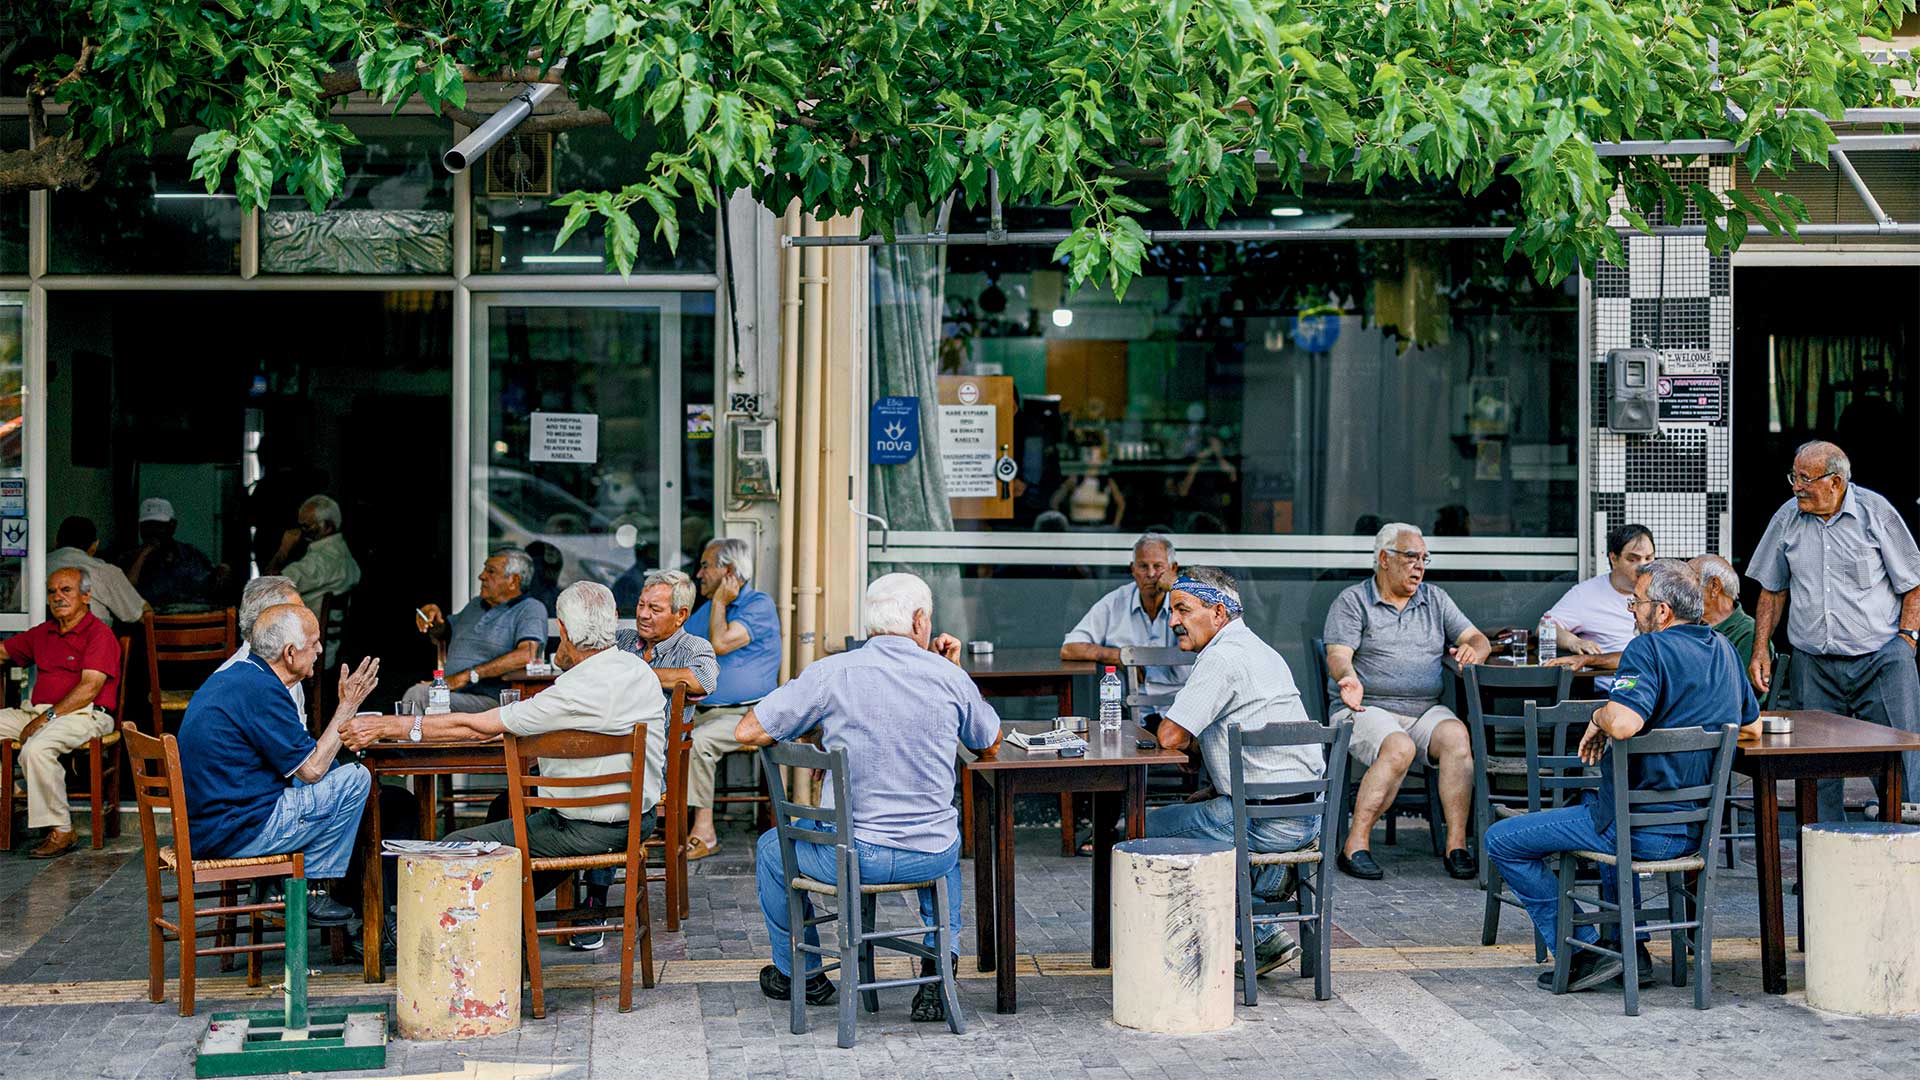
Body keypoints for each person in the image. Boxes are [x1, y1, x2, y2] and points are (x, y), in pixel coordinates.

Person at [736, 572, 1001, 1019]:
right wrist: (951, 670)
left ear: (872, 623)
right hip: (928, 854)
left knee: (770, 850)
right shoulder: (948, 677)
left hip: (850, 855)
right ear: (920, 621)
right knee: (945, 843)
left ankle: (803, 974)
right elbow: (988, 743)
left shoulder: (832, 672)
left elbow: (749, 731)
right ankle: (939, 974)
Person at [1485, 559, 1755, 992]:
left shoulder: (1647, 650)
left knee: (1502, 840)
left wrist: (1598, 713)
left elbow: (1625, 723)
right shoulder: (1722, 647)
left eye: (1637, 602)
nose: (1632, 609)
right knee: (1608, 811)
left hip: (1636, 830)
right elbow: (1752, 724)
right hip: (1693, 830)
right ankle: (1632, 951)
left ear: (1663, 611)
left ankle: (1583, 954)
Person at [343, 582, 666, 902]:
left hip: (583, 828)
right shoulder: (639, 672)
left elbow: (478, 728)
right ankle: (510, 918)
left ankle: (480, 927)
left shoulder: (572, 691)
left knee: (456, 845)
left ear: (563, 630)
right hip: (640, 820)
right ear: (613, 618)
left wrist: (389, 724)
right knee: (507, 817)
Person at [1146, 566, 1324, 977]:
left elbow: (1171, 736)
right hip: (1306, 816)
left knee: (1142, 828)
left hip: (1264, 822)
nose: (1173, 621)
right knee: (1203, 813)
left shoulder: (1221, 657)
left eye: (1183, 610)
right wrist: (1215, 788)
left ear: (1219, 614)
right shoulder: (1261, 649)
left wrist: (1161, 728)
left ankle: (1215, 946)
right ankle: (1261, 923)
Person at [1748, 440, 1920, 821]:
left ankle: (1905, 865)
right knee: (1814, 768)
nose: (1796, 487)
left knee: (1902, 763)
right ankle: (1822, 868)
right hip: (1814, 664)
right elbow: (1772, 589)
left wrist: (1907, 641)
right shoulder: (1787, 518)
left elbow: (1914, 583)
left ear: (1836, 482)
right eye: (1794, 477)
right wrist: (1761, 649)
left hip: (1881, 660)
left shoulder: (1877, 514)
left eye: (1805, 479)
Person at [178, 604, 380, 925]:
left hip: (211, 826)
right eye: (313, 642)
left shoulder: (242, 676)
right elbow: (312, 768)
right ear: (289, 653)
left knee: (321, 777)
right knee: (355, 778)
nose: (319, 650)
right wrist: (349, 706)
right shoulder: (262, 691)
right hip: (237, 830)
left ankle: (276, 886)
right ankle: (309, 890)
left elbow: (299, 763)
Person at [1324, 523, 1491, 882]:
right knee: (1398, 747)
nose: (1420, 566)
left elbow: (1478, 639)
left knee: (1458, 738)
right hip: (1364, 707)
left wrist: (1472, 650)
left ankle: (1456, 846)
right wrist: (1347, 679)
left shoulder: (1435, 599)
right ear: (1384, 559)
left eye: (1424, 558)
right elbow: (1338, 654)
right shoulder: (1353, 601)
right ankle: (1354, 845)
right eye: (1411, 557)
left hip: (1424, 709)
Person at [0, 569, 123, 858]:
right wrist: (40, 717)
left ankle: (62, 829)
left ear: (86, 595)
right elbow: (4, 651)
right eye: (53, 591)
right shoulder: (45, 632)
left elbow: (89, 688)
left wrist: (45, 719)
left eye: (66, 590)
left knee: (37, 748)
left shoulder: (99, 634)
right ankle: (15, 791)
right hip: (38, 712)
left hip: (86, 715)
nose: (58, 597)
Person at [682, 538, 782, 859]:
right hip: (705, 710)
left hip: (749, 715)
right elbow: (680, 642)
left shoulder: (758, 605)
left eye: (706, 566)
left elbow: (721, 643)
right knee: (654, 733)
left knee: (699, 742)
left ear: (728, 571)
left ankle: (704, 831)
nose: (699, 574)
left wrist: (722, 603)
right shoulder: (708, 609)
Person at [407, 548, 548, 713]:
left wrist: (465, 677)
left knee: (418, 695)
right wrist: (433, 620)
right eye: (484, 569)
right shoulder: (475, 605)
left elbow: (527, 654)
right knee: (420, 694)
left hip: (490, 701)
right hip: (452, 693)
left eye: (491, 571)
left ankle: (408, 738)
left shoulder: (530, 608)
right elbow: (443, 635)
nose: (482, 576)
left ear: (513, 581)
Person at [1060, 531, 1188, 701]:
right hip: (1132, 713)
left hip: (1181, 711)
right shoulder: (1116, 603)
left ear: (1173, 569)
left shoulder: (1190, 605)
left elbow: (1218, 633)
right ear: (1133, 569)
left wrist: (1178, 586)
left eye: (1158, 566)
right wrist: (1119, 655)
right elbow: (1069, 648)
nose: (1150, 574)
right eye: (1143, 566)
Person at [1542, 523, 1657, 687]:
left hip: (1659, 687)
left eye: (1649, 558)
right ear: (1614, 558)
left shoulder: (1662, 591)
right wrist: (1574, 642)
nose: (1643, 566)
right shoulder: (1586, 594)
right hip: (1615, 689)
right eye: (1633, 559)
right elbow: (1546, 626)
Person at [217, 575, 308, 728]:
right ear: (270, 625)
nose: (307, 625)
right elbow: (290, 751)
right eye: (299, 617)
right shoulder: (254, 682)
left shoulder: (282, 667)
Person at [615, 569, 719, 701]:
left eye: (655, 609)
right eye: (641, 605)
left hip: (661, 722)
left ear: (681, 615)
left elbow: (704, 681)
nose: (642, 614)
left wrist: (629, 674)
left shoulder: (694, 648)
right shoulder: (622, 638)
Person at [47, 516, 147, 626]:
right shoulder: (103, 571)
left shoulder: (33, 566)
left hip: (39, 640)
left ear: (56, 541)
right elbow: (141, 614)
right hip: (90, 641)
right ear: (94, 545)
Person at [267, 494, 362, 609]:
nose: (300, 532)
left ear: (327, 527)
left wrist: (283, 550)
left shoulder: (318, 562)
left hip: (306, 626)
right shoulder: (348, 557)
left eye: (306, 526)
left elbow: (269, 587)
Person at [121, 497, 217, 609]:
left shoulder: (191, 554)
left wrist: (220, 573)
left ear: (172, 526)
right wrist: (143, 555)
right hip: (149, 623)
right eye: (147, 525)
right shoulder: (128, 559)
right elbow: (124, 594)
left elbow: (211, 586)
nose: (152, 531)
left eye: (159, 525)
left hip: (191, 621)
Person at [1689, 554, 1768, 676]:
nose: (1681, 589)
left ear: (1714, 586)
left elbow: (1743, 692)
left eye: (1689, 582)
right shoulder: (1690, 625)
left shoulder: (1749, 634)